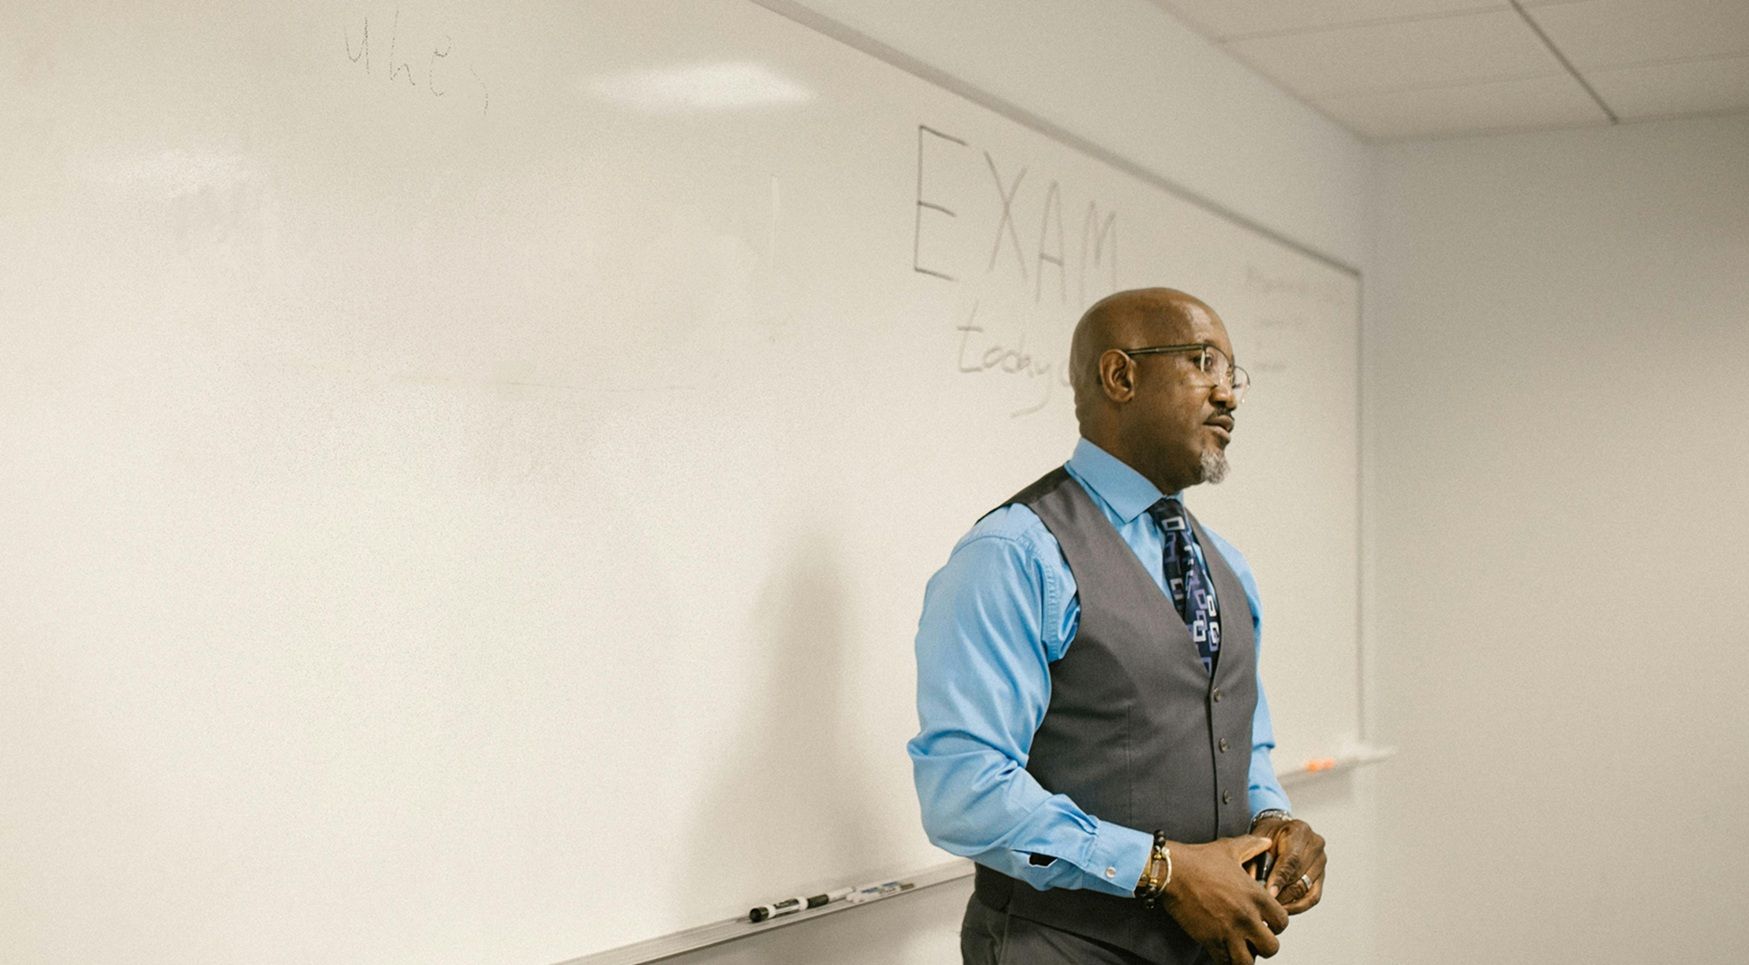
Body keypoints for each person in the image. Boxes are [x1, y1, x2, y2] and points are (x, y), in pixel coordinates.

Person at [909, 288, 1327, 964]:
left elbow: (1239, 742)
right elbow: (965, 788)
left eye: (1233, 375)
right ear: (1120, 376)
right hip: (1057, 945)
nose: (1229, 395)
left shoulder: (1228, 566)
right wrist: (1160, 869)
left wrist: (1272, 821)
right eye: (1204, 363)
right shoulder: (1016, 553)